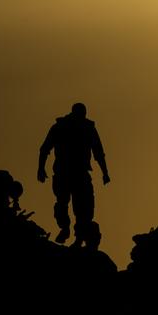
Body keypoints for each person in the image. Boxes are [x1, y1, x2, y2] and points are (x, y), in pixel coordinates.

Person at [38, 103, 110, 248]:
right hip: (66, 173)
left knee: (83, 208)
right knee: (65, 204)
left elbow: (98, 152)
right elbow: (45, 148)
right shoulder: (62, 127)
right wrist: (40, 168)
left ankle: (77, 237)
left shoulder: (86, 128)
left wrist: (105, 172)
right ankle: (65, 229)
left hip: (78, 174)